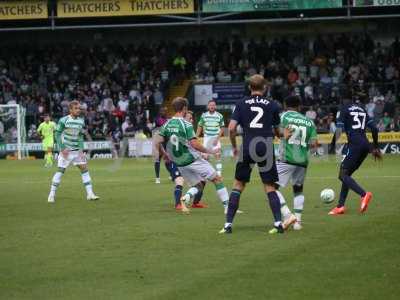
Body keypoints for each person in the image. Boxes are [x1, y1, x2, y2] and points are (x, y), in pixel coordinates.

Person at [220, 74, 283, 234]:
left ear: (249, 87)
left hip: (248, 146)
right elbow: (277, 129)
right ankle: (278, 223)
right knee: (269, 186)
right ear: (265, 87)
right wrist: (278, 134)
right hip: (266, 146)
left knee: (238, 185)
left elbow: (232, 128)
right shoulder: (273, 104)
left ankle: (228, 224)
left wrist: (234, 147)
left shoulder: (241, 103)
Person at [155, 97, 229, 214]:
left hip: (179, 162)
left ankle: (186, 197)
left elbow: (157, 141)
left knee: (198, 185)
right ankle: (228, 208)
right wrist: (210, 151)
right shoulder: (186, 124)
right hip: (192, 159)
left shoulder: (167, 124)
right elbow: (194, 144)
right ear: (184, 108)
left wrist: (164, 154)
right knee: (217, 179)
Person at [329, 96, 381, 215]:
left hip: (355, 145)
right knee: (347, 175)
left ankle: (364, 194)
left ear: (342, 100)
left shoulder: (344, 109)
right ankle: (340, 206)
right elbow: (375, 129)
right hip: (365, 145)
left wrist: (332, 145)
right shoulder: (362, 109)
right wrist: (375, 146)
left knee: (342, 175)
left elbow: (339, 129)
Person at [275, 96, 318, 231]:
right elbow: (314, 145)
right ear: (299, 106)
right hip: (302, 161)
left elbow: (278, 132)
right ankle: (298, 222)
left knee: (271, 187)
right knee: (298, 189)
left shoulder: (283, 116)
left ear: (285, 105)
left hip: (286, 158)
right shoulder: (309, 122)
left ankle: (287, 215)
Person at [47, 101, 99, 203]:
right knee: (61, 171)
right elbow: (57, 134)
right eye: (76, 108)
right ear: (70, 110)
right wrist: (62, 148)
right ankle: (51, 194)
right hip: (66, 151)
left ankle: (90, 194)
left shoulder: (81, 121)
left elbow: (80, 136)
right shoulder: (64, 120)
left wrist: (80, 149)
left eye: (79, 108)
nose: (78, 110)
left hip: (76, 151)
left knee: (84, 169)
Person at [196, 100, 225, 176]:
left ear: (215, 106)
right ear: (208, 106)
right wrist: (196, 137)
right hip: (207, 138)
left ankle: (219, 173)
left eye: (213, 105)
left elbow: (222, 128)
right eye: (210, 105)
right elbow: (200, 126)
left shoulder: (219, 116)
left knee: (217, 155)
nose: (212, 106)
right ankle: (208, 173)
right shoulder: (204, 115)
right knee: (205, 157)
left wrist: (217, 138)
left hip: (215, 138)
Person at [152, 107, 172, 184]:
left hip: (166, 142)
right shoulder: (158, 119)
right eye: (162, 111)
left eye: (165, 111)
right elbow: (161, 127)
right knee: (158, 159)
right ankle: (157, 178)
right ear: (160, 112)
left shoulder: (167, 120)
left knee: (167, 159)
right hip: (158, 142)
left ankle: (171, 174)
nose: (164, 112)